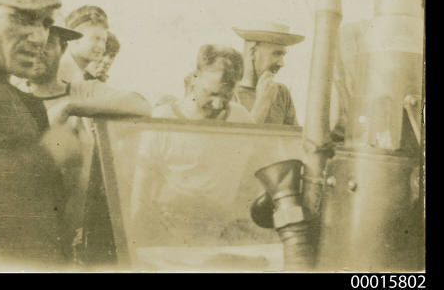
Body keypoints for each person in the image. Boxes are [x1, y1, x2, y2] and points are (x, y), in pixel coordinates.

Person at [0, 0, 82, 266]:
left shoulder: (20, 99)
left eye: (44, 23)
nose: (40, 37)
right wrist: (49, 152)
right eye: (24, 18)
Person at [26, 14, 152, 263]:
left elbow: (141, 106)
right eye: (33, 42)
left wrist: (70, 107)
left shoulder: (81, 90)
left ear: (62, 48)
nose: (39, 51)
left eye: (47, 44)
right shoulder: (10, 95)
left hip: (69, 233)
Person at [130, 44, 255, 247]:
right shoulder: (164, 119)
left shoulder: (242, 119)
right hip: (171, 235)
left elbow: (251, 181)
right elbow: (141, 193)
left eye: (226, 96)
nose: (217, 104)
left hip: (221, 235)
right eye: (211, 93)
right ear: (195, 77)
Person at [232, 22, 304, 125]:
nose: (281, 63)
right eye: (276, 54)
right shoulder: (228, 93)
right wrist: (263, 102)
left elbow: (293, 139)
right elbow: (237, 140)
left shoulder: (281, 93)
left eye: (283, 55)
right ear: (252, 52)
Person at [57, 5, 109, 83]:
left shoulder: (87, 77)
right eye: (96, 39)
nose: (102, 47)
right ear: (74, 38)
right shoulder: (57, 76)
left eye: (104, 41)